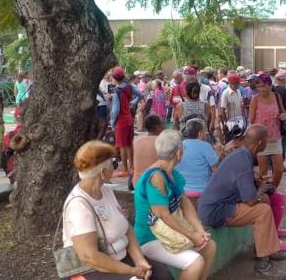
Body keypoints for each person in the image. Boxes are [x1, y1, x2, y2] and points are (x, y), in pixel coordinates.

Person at [62, 140, 173, 280]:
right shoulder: (79, 206)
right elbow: (90, 257)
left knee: (162, 274)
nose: (115, 167)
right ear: (103, 172)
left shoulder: (106, 191)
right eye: (113, 164)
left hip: (120, 258)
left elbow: (127, 229)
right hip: (93, 269)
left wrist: (140, 260)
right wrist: (131, 271)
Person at [197, 125, 286, 280]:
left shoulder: (241, 155)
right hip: (216, 211)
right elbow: (251, 200)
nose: (268, 143)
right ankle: (262, 266)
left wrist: (258, 185)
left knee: (265, 203)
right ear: (260, 143)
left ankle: (267, 249)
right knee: (262, 211)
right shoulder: (243, 160)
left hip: (216, 206)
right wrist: (261, 190)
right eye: (266, 140)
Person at [133, 130, 217, 280]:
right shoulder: (156, 177)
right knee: (195, 263)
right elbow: (163, 215)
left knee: (209, 246)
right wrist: (192, 235)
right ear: (179, 153)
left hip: (169, 234)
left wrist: (200, 231)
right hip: (150, 238)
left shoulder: (172, 174)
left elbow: (185, 204)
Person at [249, 75, 285, 187]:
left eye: (264, 86)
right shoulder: (255, 99)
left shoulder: (277, 97)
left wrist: (283, 115)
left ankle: (273, 189)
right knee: (263, 171)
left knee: (279, 170)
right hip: (261, 140)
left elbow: (283, 111)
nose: (261, 89)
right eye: (258, 87)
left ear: (270, 85)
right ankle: (263, 193)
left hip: (275, 138)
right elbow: (251, 119)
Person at [110, 67, 144, 177]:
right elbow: (141, 95)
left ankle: (125, 169)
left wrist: (112, 122)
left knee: (122, 145)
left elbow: (115, 110)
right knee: (129, 143)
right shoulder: (129, 86)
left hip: (121, 121)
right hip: (129, 118)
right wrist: (133, 103)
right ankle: (132, 167)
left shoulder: (117, 92)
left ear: (114, 78)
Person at [177, 118, 219, 196]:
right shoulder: (205, 146)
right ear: (200, 133)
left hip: (182, 192)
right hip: (202, 192)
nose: (206, 133)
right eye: (204, 131)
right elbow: (216, 170)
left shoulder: (180, 145)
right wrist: (219, 154)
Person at [132, 115, 165, 187]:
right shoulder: (163, 142)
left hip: (137, 182)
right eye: (162, 123)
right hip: (154, 184)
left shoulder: (137, 141)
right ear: (157, 127)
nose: (164, 126)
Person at [273, 72, 286, 161]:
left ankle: (271, 163)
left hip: (272, 119)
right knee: (282, 142)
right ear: (283, 80)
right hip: (282, 119)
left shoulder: (272, 90)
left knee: (273, 142)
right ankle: (280, 164)